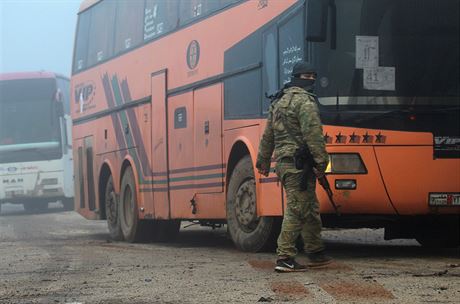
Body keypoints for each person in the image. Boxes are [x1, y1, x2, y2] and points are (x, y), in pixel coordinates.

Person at [256, 61, 332, 273]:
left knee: (309, 206)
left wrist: (262, 161)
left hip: (285, 163)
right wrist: (322, 163)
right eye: (308, 76)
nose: (311, 80)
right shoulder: (306, 102)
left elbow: (268, 135)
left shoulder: (278, 102)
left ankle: (316, 251)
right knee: (297, 208)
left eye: (313, 75)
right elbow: (314, 135)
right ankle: (285, 257)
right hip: (299, 164)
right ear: (300, 78)